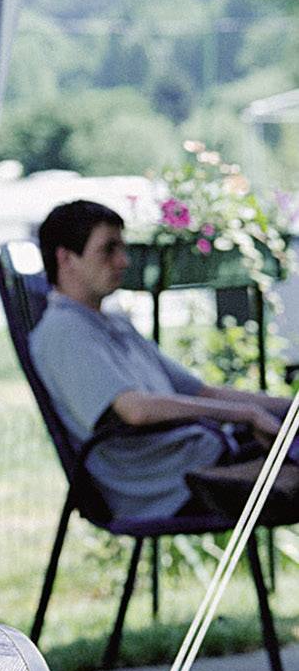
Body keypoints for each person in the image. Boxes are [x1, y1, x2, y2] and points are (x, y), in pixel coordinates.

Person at [30, 199, 297, 521]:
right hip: (166, 482)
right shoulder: (63, 331)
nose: (123, 261)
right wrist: (246, 415)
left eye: (123, 248)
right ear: (66, 258)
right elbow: (136, 409)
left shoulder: (112, 323)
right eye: (108, 249)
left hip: (200, 456)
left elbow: (201, 392)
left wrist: (286, 406)